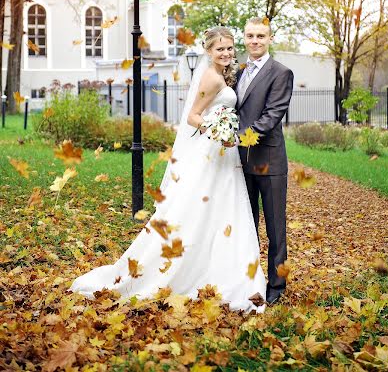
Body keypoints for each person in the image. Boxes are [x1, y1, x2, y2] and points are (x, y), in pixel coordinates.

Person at [70, 26, 266, 312]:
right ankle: (186, 269)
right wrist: (216, 130)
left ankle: (223, 269)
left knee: (221, 210)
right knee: (199, 210)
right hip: (212, 151)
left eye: (228, 48)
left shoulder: (222, 75)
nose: (225, 53)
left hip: (224, 154)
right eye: (219, 49)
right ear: (208, 51)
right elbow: (192, 117)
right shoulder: (211, 78)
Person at [235, 17, 293, 305]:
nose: (255, 40)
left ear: (270, 39)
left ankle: (277, 286)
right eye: (250, 35)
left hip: (268, 160)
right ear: (243, 38)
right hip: (240, 163)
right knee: (247, 224)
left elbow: (272, 115)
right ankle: (250, 278)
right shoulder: (238, 72)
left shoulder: (281, 72)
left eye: (261, 35)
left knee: (275, 227)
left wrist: (240, 138)